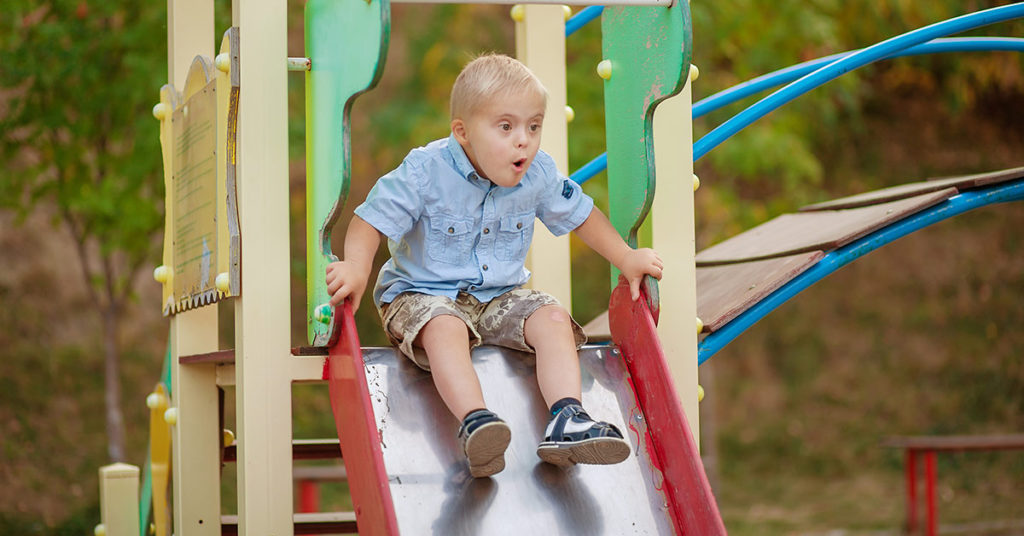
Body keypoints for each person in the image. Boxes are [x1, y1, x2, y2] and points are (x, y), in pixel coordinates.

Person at [326, 53, 663, 478]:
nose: (523, 139)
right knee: (445, 325)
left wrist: (626, 258)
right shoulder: (425, 171)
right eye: (506, 127)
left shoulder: (537, 173)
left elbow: (581, 216)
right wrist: (357, 268)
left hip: (497, 299)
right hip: (421, 297)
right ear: (463, 133)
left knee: (554, 316)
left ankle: (568, 418)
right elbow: (369, 220)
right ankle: (476, 423)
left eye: (533, 126)